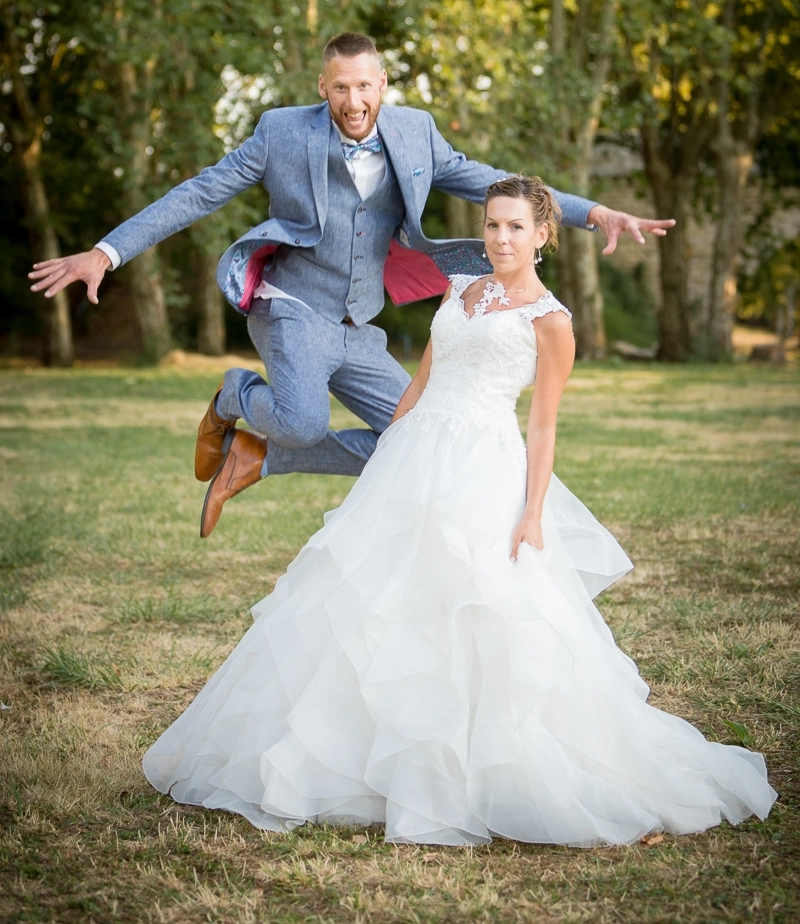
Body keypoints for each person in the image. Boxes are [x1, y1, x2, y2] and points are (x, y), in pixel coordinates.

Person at [142, 176, 775, 846]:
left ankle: (485, 767)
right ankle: (359, 751)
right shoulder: (461, 288)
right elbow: (418, 383)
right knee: (375, 602)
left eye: (514, 228)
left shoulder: (551, 322)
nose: (500, 239)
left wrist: (532, 511)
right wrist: (386, 462)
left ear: (542, 236)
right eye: (492, 226)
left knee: (481, 608)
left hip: (485, 464)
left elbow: (543, 426)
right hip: (415, 454)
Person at [29, 32, 674, 537]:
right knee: (305, 421)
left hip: (358, 321)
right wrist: (107, 253)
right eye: (341, 88)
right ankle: (236, 396)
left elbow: (491, 181)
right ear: (323, 86)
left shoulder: (415, 132)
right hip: (293, 305)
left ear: (383, 84)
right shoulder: (281, 131)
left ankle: (258, 457)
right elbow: (201, 191)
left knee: (410, 445)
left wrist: (594, 212)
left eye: (365, 86)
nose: (354, 101)